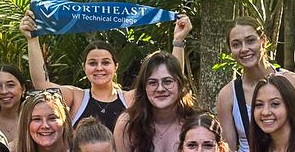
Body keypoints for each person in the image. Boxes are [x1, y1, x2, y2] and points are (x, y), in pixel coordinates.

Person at [21, 9, 192, 131]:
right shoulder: (76, 98)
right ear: (84, 67)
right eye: (93, 63)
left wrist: (178, 41)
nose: (99, 68)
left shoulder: (129, 99)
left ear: (115, 66)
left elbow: (172, 78)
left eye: (105, 62)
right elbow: (41, 84)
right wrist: (32, 39)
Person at [215, 18, 295, 152]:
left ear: (263, 40)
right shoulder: (228, 95)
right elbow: (228, 150)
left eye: (250, 41)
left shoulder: (291, 82)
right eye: (236, 44)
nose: (244, 49)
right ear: (231, 50)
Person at [114, 51, 197, 152]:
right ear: (143, 87)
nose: (160, 88)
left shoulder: (195, 123)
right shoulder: (128, 123)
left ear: (180, 84)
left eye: (168, 81)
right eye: (152, 83)